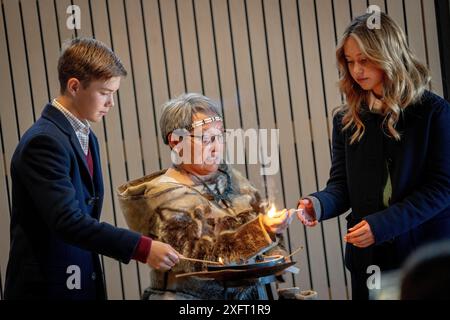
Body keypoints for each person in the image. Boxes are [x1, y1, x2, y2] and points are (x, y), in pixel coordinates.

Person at [4, 38, 179, 300]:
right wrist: (141, 248)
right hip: (48, 286)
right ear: (74, 86)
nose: (111, 103)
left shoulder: (86, 134)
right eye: (105, 93)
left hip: (80, 277)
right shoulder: (43, 141)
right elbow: (68, 221)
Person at [296, 13, 450, 300]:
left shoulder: (434, 111)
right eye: (350, 61)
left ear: (388, 54)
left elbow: (442, 188)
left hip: (423, 261)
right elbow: (341, 185)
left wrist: (381, 225)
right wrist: (317, 204)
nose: (356, 70)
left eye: (364, 59)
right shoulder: (346, 118)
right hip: (369, 262)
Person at [117, 93, 293, 300]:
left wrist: (275, 254)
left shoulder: (232, 178)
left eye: (219, 136)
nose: (216, 146)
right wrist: (260, 230)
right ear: (176, 142)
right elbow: (197, 257)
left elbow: (265, 228)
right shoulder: (163, 194)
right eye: (206, 138)